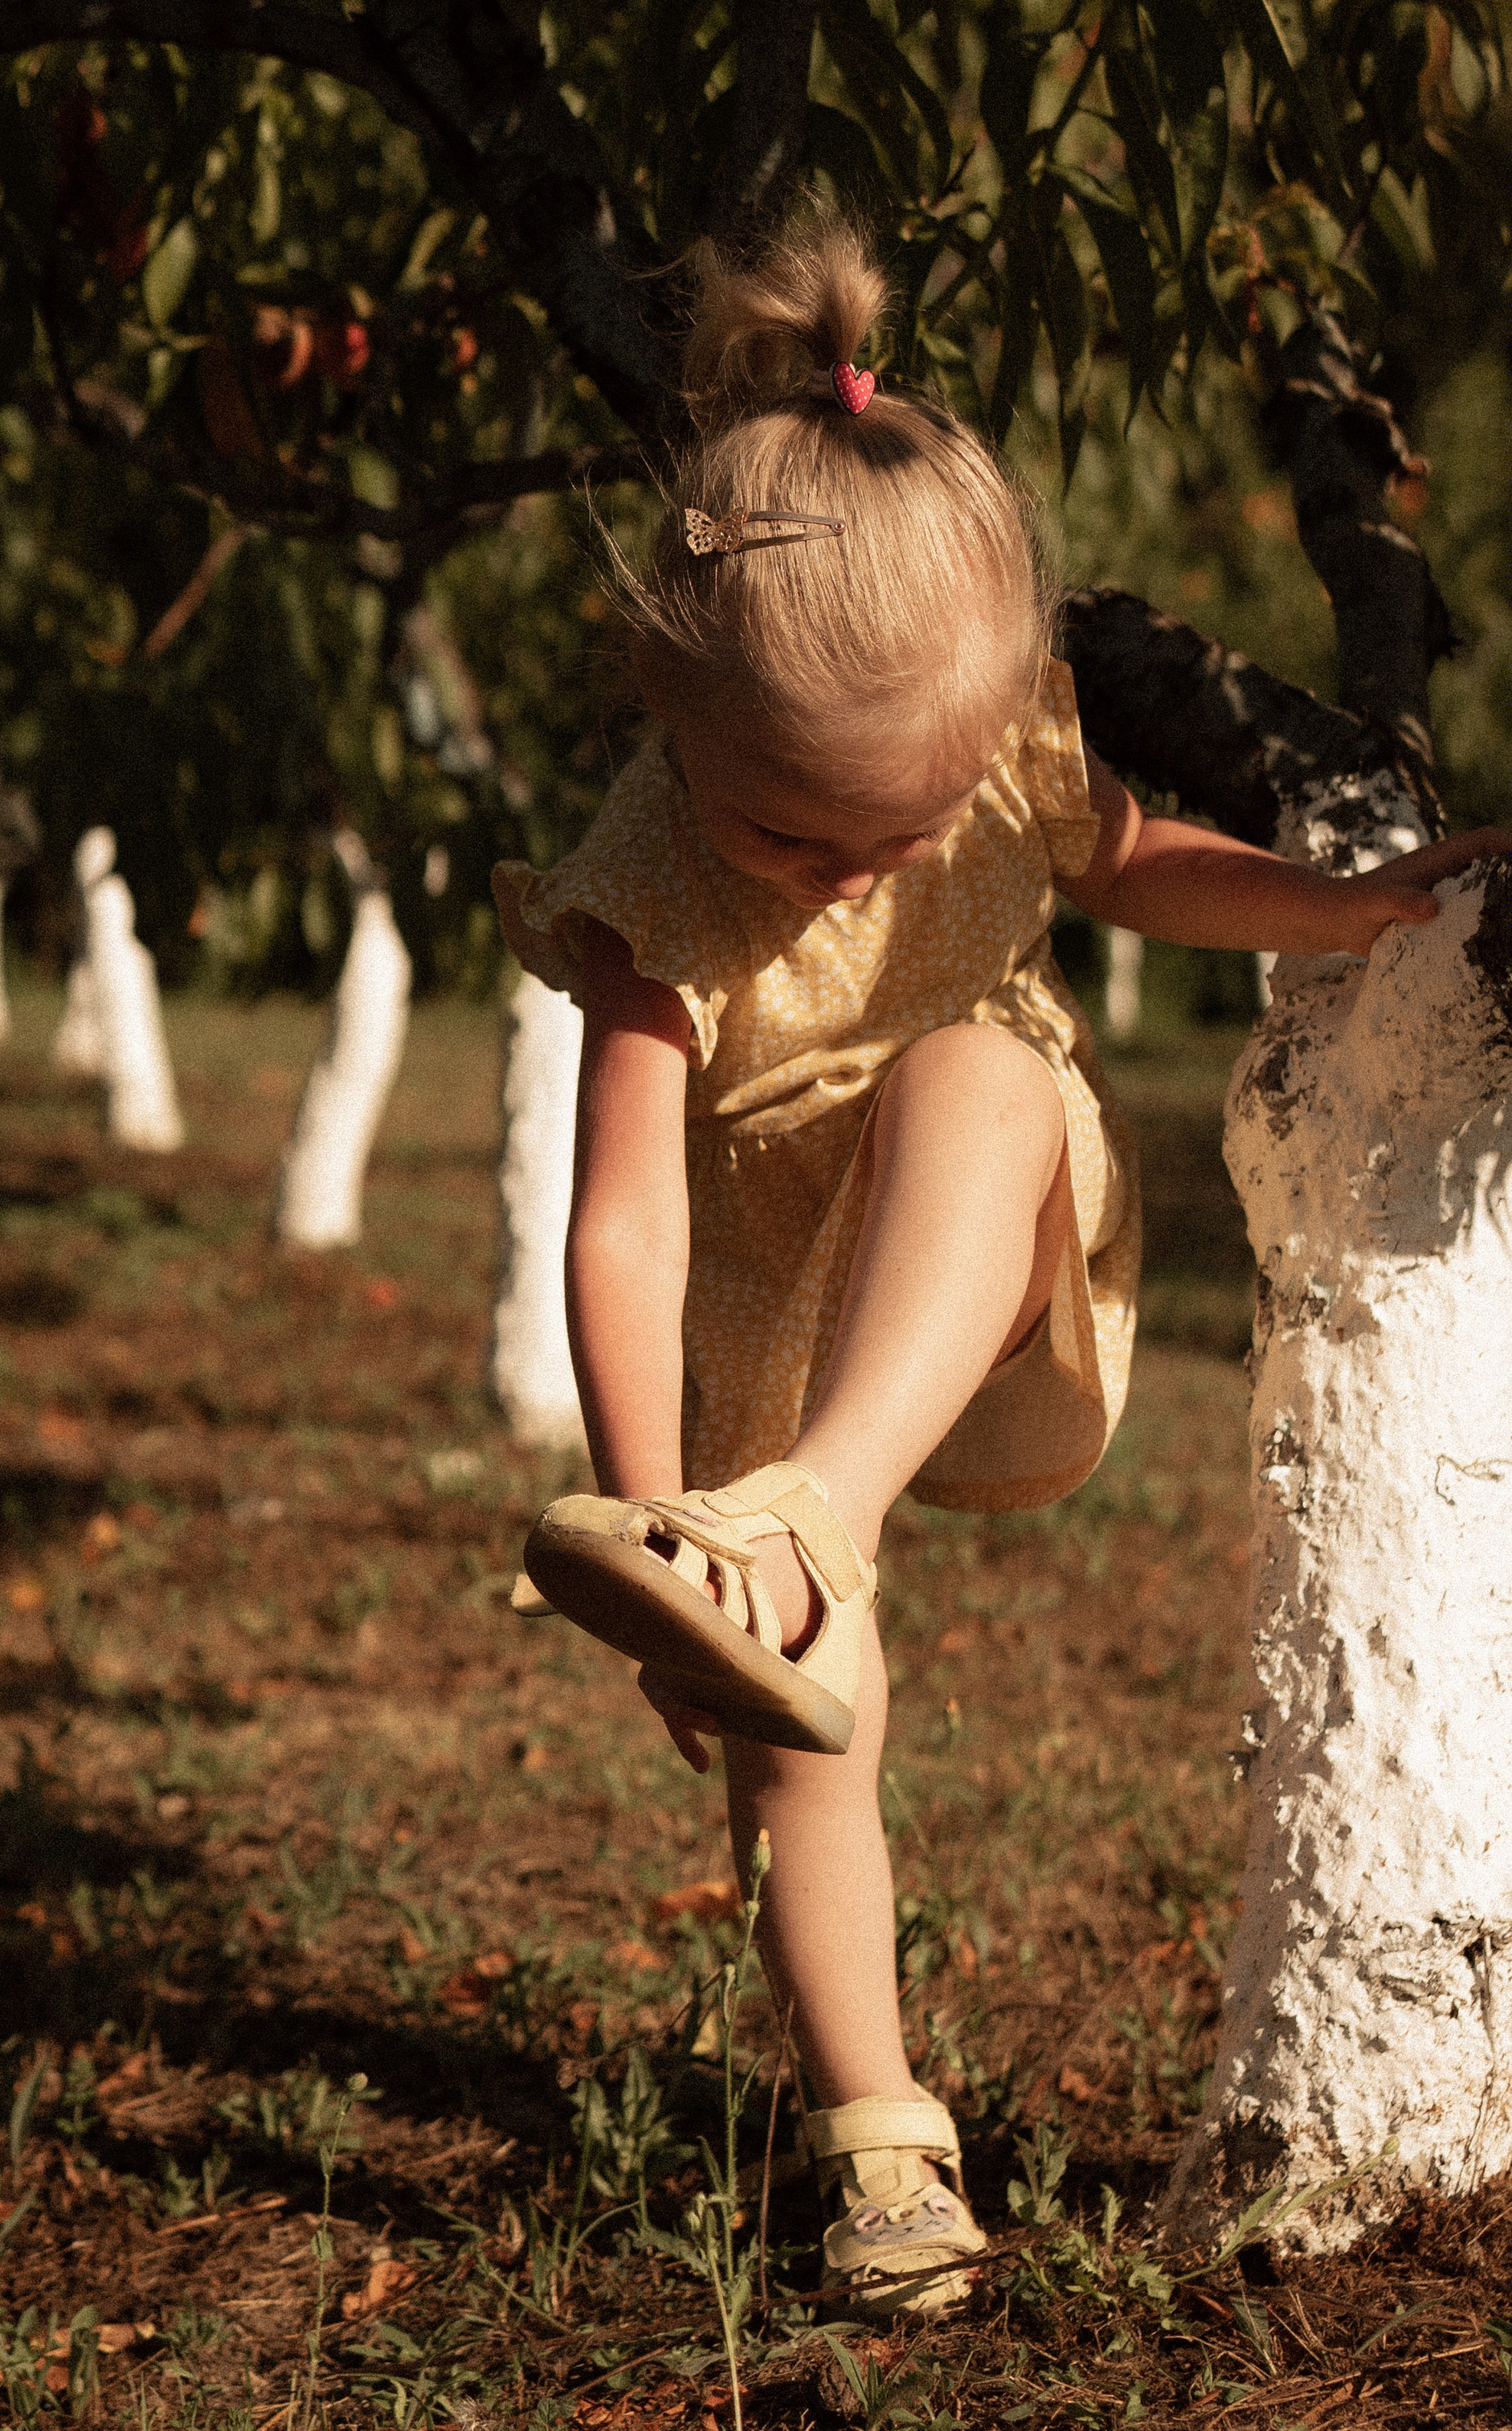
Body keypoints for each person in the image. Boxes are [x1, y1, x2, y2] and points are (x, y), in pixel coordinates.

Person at [493, 210, 1508, 2320]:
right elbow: (627, 1209)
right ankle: (881, 2138)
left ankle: (808, 1527)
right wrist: (664, 1502)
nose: (870, 867)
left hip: (1004, 1298)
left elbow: (1134, 860)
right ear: (672, 730)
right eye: (808, 842)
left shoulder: (1011, 741)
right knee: (811, 1737)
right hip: (777, 1350)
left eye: (912, 827)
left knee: (971, 1059)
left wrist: (1360, 910)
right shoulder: (646, 874)